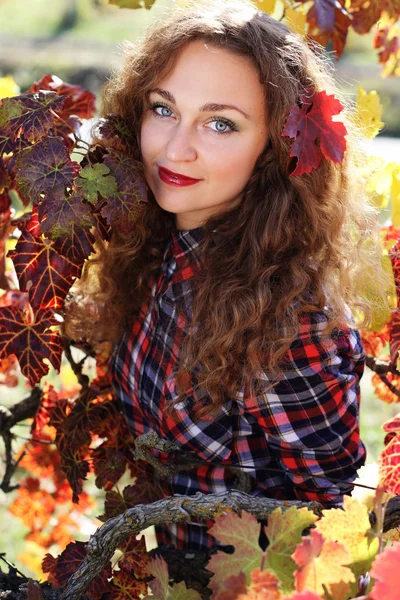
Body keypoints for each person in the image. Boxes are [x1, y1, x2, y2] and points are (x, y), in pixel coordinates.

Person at [69, 0, 391, 552]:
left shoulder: (292, 322)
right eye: (163, 108)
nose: (175, 149)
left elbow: (323, 524)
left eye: (220, 123)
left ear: (275, 150)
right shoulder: (153, 243)